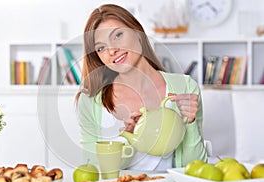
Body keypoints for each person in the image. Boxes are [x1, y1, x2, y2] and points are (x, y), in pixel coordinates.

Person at [75, 4, 207, 171]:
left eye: (117, 35)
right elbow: (93, 169)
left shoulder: (185, 87)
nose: (112, 50)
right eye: (101, 48)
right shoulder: (90, 101)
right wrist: (127, 139)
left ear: (138, 33)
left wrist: (190, 123)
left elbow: (196, 169)